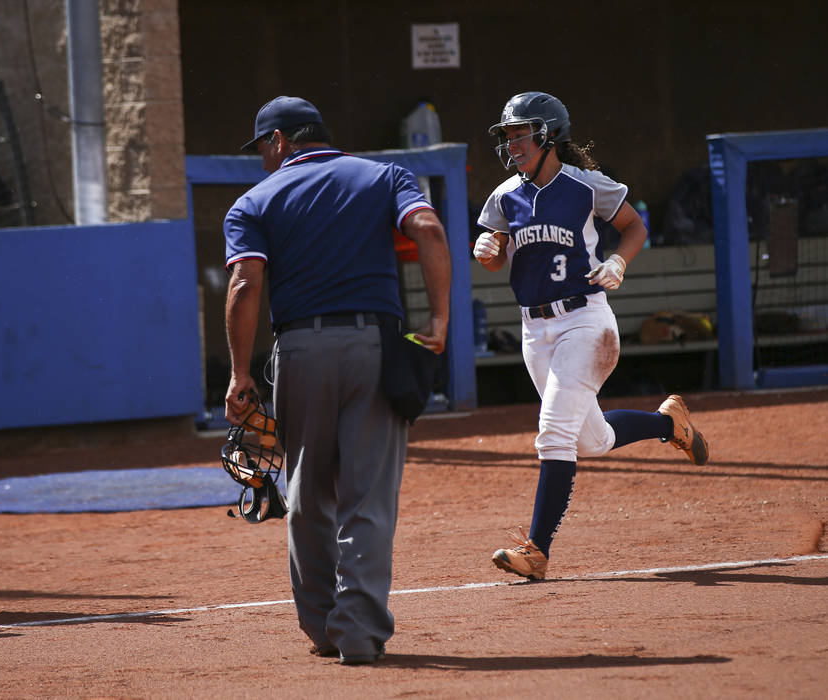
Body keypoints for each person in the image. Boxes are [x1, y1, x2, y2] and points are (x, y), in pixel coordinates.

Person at [223, 96, 451, 665]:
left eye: (262, 150)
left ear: (279, 141)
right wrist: (440, 319)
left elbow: (244, 285)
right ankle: (358, 634)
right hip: (376, 344)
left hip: (299, 350)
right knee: (367, 496)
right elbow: (428, 228)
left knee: (306, 492)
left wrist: (240, 372)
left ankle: (323, 625)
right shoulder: (385, 176)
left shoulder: (254, 201)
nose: (262, 162)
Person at [473, 92, 709, 581]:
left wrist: (619, 260)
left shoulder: (583, 185)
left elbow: (633, 226)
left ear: (549, 135)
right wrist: (487, 250)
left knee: (553, 433)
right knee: (592, 440)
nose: (513, 142)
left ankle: (536, 551)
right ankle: (671, 426)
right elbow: (496, 261)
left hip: (586, 321)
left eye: (522, 132)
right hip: (534, 330)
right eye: (508, 135)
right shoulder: (503, 196)